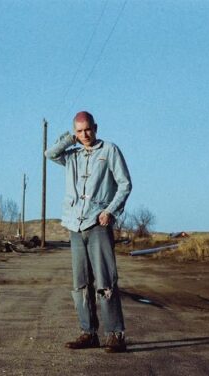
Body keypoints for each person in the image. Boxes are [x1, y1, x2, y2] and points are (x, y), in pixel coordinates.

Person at [45, 111, 132, 352]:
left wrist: (110, 211)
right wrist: (69, 140)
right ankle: (88, 333)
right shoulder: (71, 156)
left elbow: (125, 184)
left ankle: (115, 335)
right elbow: (49, 154)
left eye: (88, 129)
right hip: (75, 224)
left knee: (105, 282)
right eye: (80, 131)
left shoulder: (109, 151)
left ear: (96, 127)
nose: (85, 135)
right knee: (80, 284)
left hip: (98, 224)